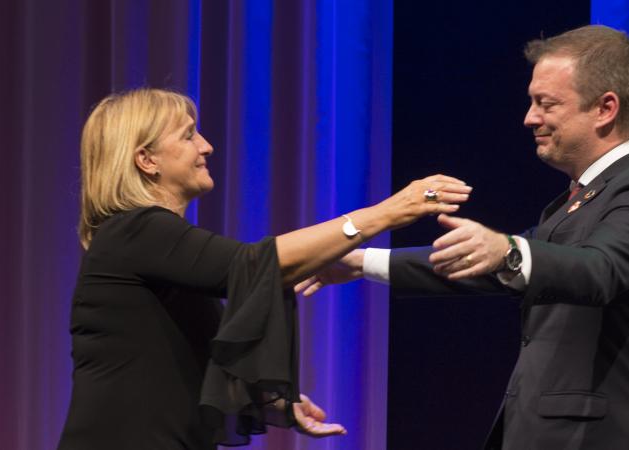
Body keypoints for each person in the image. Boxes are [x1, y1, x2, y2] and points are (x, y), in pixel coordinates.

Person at [297, 25, 629, 450]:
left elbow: (598, 269)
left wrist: (507, 252)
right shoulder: (580, 199)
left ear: (605, 109)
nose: (529, 118)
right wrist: (360, 263)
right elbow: (494, 267)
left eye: (546, 104)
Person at [57, 88, 472, 450]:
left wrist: (271, 404)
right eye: (188, 136)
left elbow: (179, 355)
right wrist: (383, 214)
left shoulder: (152, 243)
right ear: (146, 160)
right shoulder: (136, 230)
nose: (206, 146)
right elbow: (252, 266)